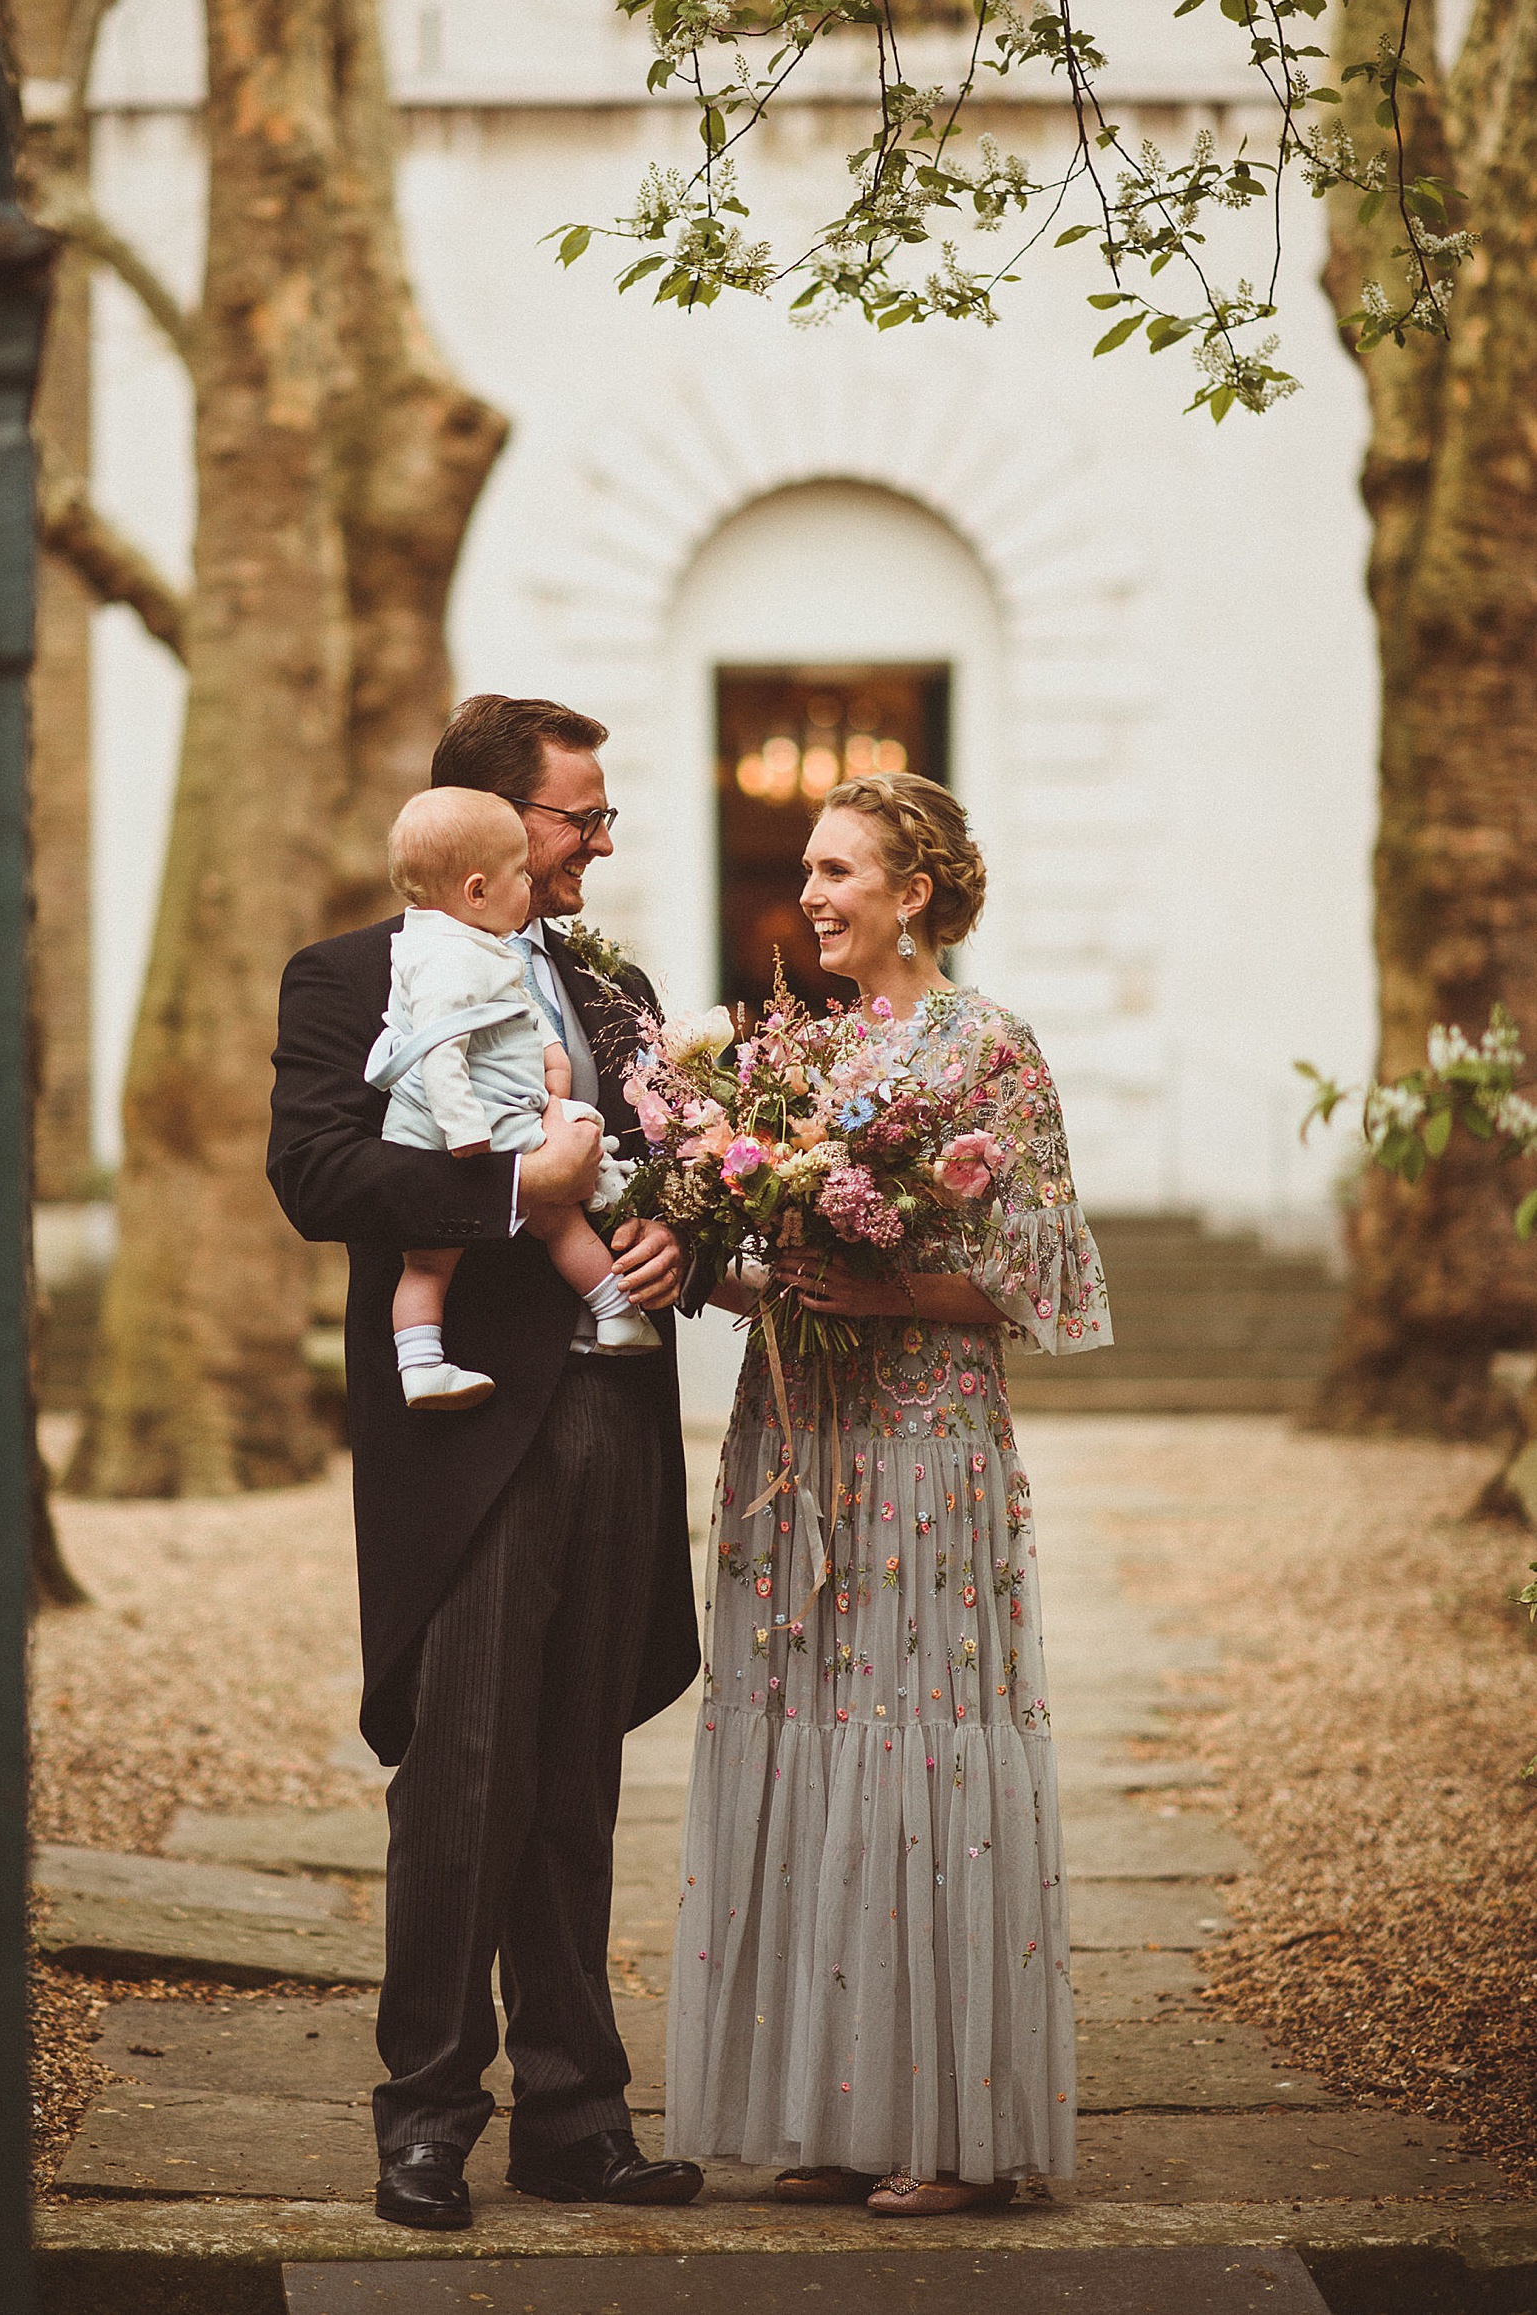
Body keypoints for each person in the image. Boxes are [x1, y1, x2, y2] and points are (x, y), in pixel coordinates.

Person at [267, 695, 704, 2232]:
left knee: (578, 1772)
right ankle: (429, 2116)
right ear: (494, 821)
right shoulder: (349, 976)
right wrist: (516, 1190)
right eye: (580, 814)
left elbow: (686, 1163)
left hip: (614, 1414)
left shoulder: (616, 982)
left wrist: (670, 1238)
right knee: (463, 1773)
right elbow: (316, 1167)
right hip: (467, 1427)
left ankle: (577, 2116)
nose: (600, 838)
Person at [666, 771, 1111, 2214]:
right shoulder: (781, 1055)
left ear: (915, 892)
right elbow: (775, 1254)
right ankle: (834, 2106)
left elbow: (1030, 1281)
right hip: (796, 1441)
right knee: (802, 1728)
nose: (812, 892)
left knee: (923, 1739)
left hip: (926, 1441)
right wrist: (706, 1254)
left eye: (841, 868)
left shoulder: (991, 1047)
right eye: (806, 868)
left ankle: (952, 2125)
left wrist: (877, 1280)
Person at [368, 785, 659, 1411]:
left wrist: (675, 1226)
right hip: (466, 1134)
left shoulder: (590, 973)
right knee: (540, 1222)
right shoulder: (439, 958)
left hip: (627, 1405)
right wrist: (483, 1147)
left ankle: (613, 1316)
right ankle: (423, 1364)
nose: (603, 840)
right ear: (477, 889)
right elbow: (439, 1048)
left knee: (470, 1251)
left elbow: (522, 1016)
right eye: (583, 819)